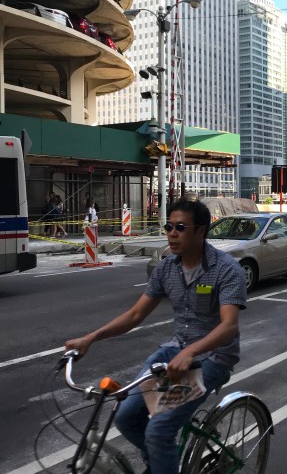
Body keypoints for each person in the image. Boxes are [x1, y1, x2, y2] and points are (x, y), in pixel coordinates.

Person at [64, 198, 247, 474]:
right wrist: (91, 337)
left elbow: (228, 326)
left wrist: (191, 352)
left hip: (213, 358)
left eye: (180, 227)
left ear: (200, 231)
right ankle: (163, 464)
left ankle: (163, 460)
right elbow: (135, 315)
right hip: (175, 350)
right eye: (169, 226)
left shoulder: (226, 269)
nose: (172, 233)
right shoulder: (167, 268)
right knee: (126, 418)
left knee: (159, 430)